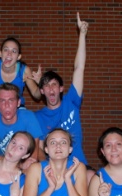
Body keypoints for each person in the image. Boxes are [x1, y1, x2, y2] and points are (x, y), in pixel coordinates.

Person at [34, 12, 95, 185]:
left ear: (61, 88)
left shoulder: (71, 102)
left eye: (54, 85)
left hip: (79, 167)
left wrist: (82, 35)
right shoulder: (36, 117)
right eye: (46, 85)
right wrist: (50, 170)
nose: (51, 88)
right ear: (42, 91)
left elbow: (79, 68)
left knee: (94, 179)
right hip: (52, 171)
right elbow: (38, 149)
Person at [0, 82, 42, 171]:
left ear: (18, 103)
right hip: (0, 163)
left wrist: (22, 166)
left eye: (11, 100)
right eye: (2, 100)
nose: (7, 105)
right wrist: (17, 164)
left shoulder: (29, 117)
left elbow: (33, 156)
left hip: (24, 164)